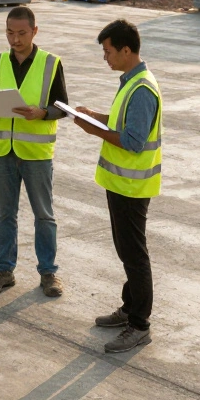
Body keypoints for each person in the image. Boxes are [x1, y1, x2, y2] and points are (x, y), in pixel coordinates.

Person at [72, 19, 162, 354]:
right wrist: (94, 115)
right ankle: (129, 308)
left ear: (127, 50)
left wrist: (93, 129)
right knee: (126, 250)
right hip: (122, 183)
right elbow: (123, 122)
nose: (105, 58)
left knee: (134, 254)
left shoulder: (141, 89)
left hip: (132, 187)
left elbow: (134, 141)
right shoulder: (131, 82)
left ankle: (139, 324)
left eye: (109, 52)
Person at [0, 6, 68, 298]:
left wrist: (42, 113)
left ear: (34, 31)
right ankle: (4, 270)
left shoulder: (51, 63)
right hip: (3, 151)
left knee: (44, 215)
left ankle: (48, 273)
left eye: (21, 33)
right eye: (9, 33)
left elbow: (62, 107)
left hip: (37, 153)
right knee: (5, 215)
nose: (14, 40)